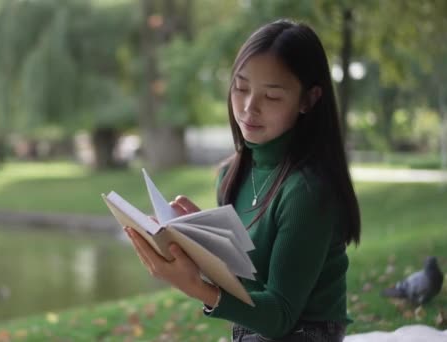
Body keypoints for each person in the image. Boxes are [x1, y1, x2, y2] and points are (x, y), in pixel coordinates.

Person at [124, 18, 360, 342]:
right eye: (241, 87)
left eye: (272, 96)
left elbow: (281, 315)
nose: (249, 108)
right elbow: (249, 285)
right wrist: (202, 244)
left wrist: (196, 286)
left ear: (308, 99)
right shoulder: (231, 175)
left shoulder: (306, 191)